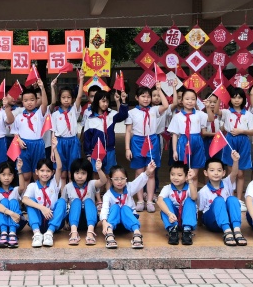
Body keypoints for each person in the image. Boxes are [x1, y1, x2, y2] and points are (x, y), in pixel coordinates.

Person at [125, 83, 170, 211]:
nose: (146, 99)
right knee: (139, 172)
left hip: (152, 140)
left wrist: (160, 90)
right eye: (143, 96)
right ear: (136, 97)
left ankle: (149, 200)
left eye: (148, 97)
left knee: (151, 172)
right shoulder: (131, 112)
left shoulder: (154, 110)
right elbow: (128, 131)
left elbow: (166, 105)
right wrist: (127, 148)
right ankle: (140, 200)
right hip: (137, 142)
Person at [209, 88, 253, 202]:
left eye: (239, 97)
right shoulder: (227, 112)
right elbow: (216, 111)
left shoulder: (248, 114)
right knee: (231, 173)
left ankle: (239, 199)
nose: (236, 100)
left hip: (243, 141)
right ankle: (230, 197)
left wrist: (242, 131)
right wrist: (220, 98)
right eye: (234, 97)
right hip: (230, 140)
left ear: (243, 99)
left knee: (240, 173)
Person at [100, 161, 155, 249]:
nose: (119, 181)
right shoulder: (108, 195)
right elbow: (104, 209)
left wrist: (148, 172)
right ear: (111, 180)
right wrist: (104, 223)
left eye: (122, 178)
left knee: (125, 208)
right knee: (115, 207)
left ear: (126, 179)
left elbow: (139, 181)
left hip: (129, 223)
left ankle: (137, 233)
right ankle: (109, 234)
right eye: (116, 179)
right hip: (113, 225)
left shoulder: (129, 188)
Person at [198, 154, 247, 246]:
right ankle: (227, 232)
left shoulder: (227, 183)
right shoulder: (203, 191)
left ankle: (237, 230)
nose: (216, 173)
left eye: (219, 170)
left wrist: (235, 161)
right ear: (206, 173)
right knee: (219, 200)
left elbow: (234, 173)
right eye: (212, 170)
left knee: (232, 199)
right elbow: (200, 210)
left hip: (229, 220)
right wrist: (199, 224)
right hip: (213, 222)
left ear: (224, 173)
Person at [23, 145, 65, 248]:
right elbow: (24, 199)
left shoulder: (54, 183)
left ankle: (49, 234)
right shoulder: (32, 186)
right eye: (42, 171)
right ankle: (37, 234)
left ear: (52, 172)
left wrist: (55, 149)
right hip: (39, 221)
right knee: (31, 201)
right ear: (36, 172)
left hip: (53, 220)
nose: (45, 174)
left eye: (48, 171)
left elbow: (59, 167)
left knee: (62, 201)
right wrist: (42, 208)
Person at [62, 158, 107, 246]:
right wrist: (64, 223)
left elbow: (103, 181)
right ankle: (74, 233)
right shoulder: (68, 187)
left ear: (88, 174)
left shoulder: (92, 184)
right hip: (73, 221)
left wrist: (99, 170)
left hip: (90, 221)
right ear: (72, 173)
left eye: (83, 173)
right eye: (77, 173)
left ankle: (90, 233)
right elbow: (63, 205)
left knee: (88, 201)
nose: (80, 176)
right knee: (76, 201)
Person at [50, 70, 84, 183]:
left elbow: (79, 96)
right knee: (62, 172)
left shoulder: (74, 110)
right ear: (59, 99)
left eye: (69, 97)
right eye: (63, 97)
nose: (66, 99)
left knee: (72, 171)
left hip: (73, 142)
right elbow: (53, 133)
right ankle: (63, 191)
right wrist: (52, 150)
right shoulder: (55, 114)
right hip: (60, 143)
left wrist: (81, 79)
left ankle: (72, 191)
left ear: (72, 99)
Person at [83, 90, 129, 174]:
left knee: (109, 174)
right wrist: (88, 154)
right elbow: (87, 138)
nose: (105, 104)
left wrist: (121, 100)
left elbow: (123, 115)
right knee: (97, 174)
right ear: (97, 101)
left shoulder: (111, 114)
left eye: (107, 101)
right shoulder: (90, 119)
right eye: (103, 101)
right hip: (96, 151)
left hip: (110, 151)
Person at [13, 80, 49, 185]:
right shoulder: (19, 117)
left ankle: (38, 193)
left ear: (36, 101)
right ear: (22, 102)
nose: (29, 102)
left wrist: (42, 88)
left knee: (37, 174)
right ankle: (26, 194)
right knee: (26, 175)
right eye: (26, 100)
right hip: (24, 145)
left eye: (32, 100)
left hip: (38, 145)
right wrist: (19, 140)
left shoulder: (39, 114)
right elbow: (15, 132)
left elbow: (45, 104)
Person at [168, 88, 208, 180]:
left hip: (197, 141)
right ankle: (185, 189)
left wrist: (208, 107)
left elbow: (210, 118)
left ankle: (193, 189)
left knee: (195, 172)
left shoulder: (199, 114)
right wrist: (174, 150)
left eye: (193, 99)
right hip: (183, 141)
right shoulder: (177, 116)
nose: (190, 101)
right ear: (182, 101)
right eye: (187, 99)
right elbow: (174, 134)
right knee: (184, 170)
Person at [157, 162, 198, 246]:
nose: (175, 178)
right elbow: (159, 201)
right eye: (172, 174)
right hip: (172, 218)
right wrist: (169, 213)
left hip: (186, 218)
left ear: (186, 176)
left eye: (179, 175)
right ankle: (173, 231)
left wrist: (190, 180)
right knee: (165, 200)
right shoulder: (167, 188)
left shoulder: (189, 187)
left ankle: (187, 231)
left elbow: (194, 197)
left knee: (190, 201)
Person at [0, 159, 27, 248]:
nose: (6, 178)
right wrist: (11, 213)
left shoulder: (15, 190)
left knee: (13, 201)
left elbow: (22, 187)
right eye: (3, 174)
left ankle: (12, 233)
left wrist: (19, 170)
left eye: (10, 174)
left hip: (16, 223)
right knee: (3, 201)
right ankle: (3, 233)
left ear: (14, 176)